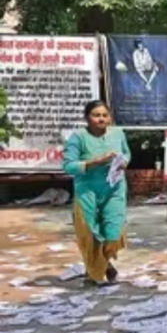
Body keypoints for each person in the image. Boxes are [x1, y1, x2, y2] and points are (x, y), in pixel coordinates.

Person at [62, 101, 130, 287]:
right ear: (87, 118)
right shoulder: (78, 137)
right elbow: (68, 166)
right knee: (90, 233)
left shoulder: (118, 133)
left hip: (114, 188)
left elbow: (126, 153)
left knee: (113, 231)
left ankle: (103, 262)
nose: (101, 119)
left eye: (104, 115)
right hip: (87, 190)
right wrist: (95, 161)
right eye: (96, 115)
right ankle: (97, 271)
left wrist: (124, 162)